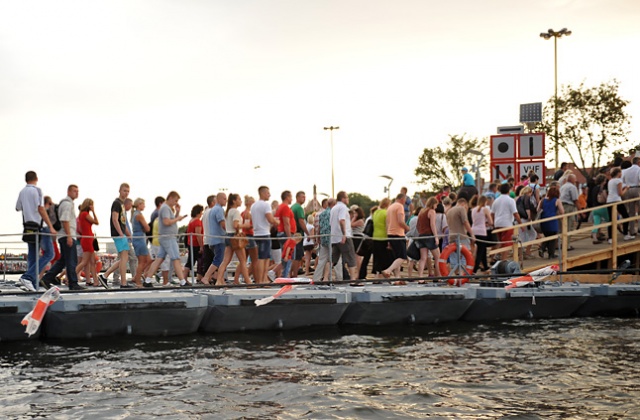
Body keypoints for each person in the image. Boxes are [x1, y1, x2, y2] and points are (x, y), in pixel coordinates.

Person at [15, 171, 56, 291]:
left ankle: (31, 283)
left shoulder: (22, 192)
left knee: (32, 255)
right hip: (40, 226)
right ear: (36, 178)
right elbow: (41, 209)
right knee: (49, 253)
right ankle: (28, 277)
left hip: (28, 227)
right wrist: (51, 226)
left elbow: (18, 207)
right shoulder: (37, 190)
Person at [42, 184, 84, 290]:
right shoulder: (67, 204)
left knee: (63, 260)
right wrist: (69, 236)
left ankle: (47, 279)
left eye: (77, 191)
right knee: (71, 260)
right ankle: (73, 283)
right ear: (68, 192)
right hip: (67, 236)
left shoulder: (66, 204)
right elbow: (65, 220)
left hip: (64, 236)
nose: (76, 193)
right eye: (74, 191)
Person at [144, 191, 190, 287]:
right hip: (168, 237)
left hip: (166, 237)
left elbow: (170, 221)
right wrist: (178, 218)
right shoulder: (165, 208)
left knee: (159, 259)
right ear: (170, 198)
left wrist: (177, 213)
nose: (175, 203)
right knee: (176, 258)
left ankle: (147, 280)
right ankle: (182, 281)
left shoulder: (166, 208)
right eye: (175, 200)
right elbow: (166, 222)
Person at [216, 193, 251, 285]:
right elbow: (236, 225)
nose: (241, 201)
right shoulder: (235, 212)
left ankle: (219, 280)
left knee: (225, 260)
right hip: (235, 237)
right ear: (234, 201)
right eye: (239, 199)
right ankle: (248, 281)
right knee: (243, 261)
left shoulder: (228, 212)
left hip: (228, 236)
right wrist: (245, 226)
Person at [105, 183, 133, 288]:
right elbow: (115, 219)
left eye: (128, 191)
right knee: (124, 258)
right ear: (120, 190)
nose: (126, 193)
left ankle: (105, 275)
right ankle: (123, 283)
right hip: (118, 234)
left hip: (121, 234)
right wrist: (121, 233)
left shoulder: (122, 205)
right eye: (124, 190)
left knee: (123, 259)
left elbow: (123, 222)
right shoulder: (116, 203)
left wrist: (128, 234)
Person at [251, 186, 278, 283]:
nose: (269, 195)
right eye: (267, 193)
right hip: (264, 233)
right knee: (263, 258)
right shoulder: (266, 205)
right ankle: (261, 280)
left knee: (263, 257)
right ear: (262, 193)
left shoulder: (253, 206)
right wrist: (277, 222)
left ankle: (262, 279)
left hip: (256, 233)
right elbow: (270, 219)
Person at [330, 191, 359, 281]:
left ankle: (326, 277)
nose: (348, 199)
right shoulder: (343, 208)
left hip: (334, 237)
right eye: (347, 197)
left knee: (332, 259)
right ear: (343, 199)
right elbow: (342, 220)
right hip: (343, 236)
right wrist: (344, 234)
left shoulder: (333, 208)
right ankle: (353, 279)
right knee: (351, 258)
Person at [381, 193, 410, 279]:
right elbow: (400, 221)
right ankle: (388, 270)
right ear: (402, 199)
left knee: (396, 257)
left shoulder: (390, 207)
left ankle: (397, 277)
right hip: (398, 234)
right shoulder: (399, 207)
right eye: (405, 200)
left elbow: (387, 223)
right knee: (402, 256)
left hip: (390, 233)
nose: (405, 202)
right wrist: (407, 228)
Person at [201, 193, 228, 285]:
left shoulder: (212, 210)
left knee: (220, 260)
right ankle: (206, 277)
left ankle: (220, 279)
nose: (226, 201)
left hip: (212, 239)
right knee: (218, 260)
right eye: (224, 199)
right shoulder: (219, 210)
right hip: (218, 239)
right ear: (219, 199)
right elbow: (223, 224)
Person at [491, 183, 522, 261]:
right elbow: (515, 213)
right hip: (507, 223)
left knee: (499, 242)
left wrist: (493, 223)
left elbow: (492, 213)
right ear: (509, 190)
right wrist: (521, 224)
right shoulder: (510, 200)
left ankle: (492, 257)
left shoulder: (496, 200)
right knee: (507, 243)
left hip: (497, 223)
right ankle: (503, 260)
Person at [446, 198, 475, 274]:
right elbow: (465, 222)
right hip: (461, 236)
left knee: (454, 258)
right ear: (464, 204)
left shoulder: (449, 211)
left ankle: (457, 275)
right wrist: (472, 234)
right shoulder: (461, 209)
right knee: (465, 255)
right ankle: (463, 276)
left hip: (451, 236)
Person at [75, 198, 100, 287]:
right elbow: (96, 222)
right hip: (87, 239)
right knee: (84, 261)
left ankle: (96, 281)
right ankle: (70, 277)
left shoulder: (82, 215)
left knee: (92, 262)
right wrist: (93, 211)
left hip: (88, 238)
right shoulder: (85, 214)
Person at [607, 167, 634, 243]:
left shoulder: (610, 181)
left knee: (611, 219)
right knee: (625, 216)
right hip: (616, 200)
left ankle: (610, 238)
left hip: (609, 200)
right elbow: (620, 193)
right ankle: (625, 234)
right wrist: (627, 188)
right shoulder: (619, 181)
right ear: (618, 173)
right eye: (620, 172)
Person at [416, 197, 441, 278]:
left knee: (423, 258)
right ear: (433, 204)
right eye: (436, 205)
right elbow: (432, 225)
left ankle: (420, 277)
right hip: (429, 235)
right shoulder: (431, 211)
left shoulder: (421, 211)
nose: (436, 207)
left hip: (421, 236)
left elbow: (417, 225)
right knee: (437, 257)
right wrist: (436, 237)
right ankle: (438, 276)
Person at [131, 198, 153, 287]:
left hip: (139, 238)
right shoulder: (139, 215)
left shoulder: (135, 214)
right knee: (142, 262)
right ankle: (138, 282)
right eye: (143, 204)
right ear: (139, 205)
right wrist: (146, 227)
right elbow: (147, 228)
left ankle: (136, 276)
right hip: (139, 239)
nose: (144, 206)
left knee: (149, 259)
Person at [537, 186, 565, 258]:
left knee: (547, 236)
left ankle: (542, 249)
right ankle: (550, 253)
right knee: (553, 237)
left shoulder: (543, 200)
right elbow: (562, 211)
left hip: (543, 220)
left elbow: (538, 209)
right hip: (552, 220)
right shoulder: (557, 200)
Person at [290, 191, 310, 278]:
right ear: (297, 197)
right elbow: (301, 221)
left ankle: (290, 273)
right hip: (297, 234)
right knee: (297, 256)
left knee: (294, 255)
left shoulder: (293, 207)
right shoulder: (298, 208)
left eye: (305, 197)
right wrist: (308, 233)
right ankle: (294, 275)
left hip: (293, 233)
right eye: (302, 197)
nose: (304, 198)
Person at [471, 195, 493, 273]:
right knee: (480, 252)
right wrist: (487, 223)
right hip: (482, 231)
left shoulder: (473, 210)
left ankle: (485, 266)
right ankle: (474, 270)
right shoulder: (485, 209)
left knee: (482, 250)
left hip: (474, 231)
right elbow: (491, 222)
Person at [559, 173, 579, 248]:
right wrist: (580, 211)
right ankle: (566, 245)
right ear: (572, 179)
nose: (576, 180)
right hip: (569, 206)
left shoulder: (562, 187)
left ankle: (562, 243)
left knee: (563, 226)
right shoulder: (572, 187)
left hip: (562, 206)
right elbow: (575, 200)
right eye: (575, 178)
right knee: (569, 226)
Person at [515, 186, 536, 257]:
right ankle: (527, 251)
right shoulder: (526, 197)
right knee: (533, 234)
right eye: (531, 193)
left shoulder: (517, 198)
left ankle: (520, 254)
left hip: (517, 219)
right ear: (528, 192)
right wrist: (529, 216)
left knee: (521, 236)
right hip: (524, 219)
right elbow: (527, 207)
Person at [622, 157, 640, 236]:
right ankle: (639, 228)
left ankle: (631, 229)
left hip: (628, 189)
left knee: (631, 211)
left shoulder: (626, 171)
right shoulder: (638, 169)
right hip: (637, 188)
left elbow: (622, 181)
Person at [589, 174, 609, 243]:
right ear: (603, 181)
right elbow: (605, 198)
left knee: (596, 223)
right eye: (605, 180)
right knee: (609, 221)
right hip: (602, 207)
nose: (605, 182)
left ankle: (595, 238)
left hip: (595, 208)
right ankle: (610, 236)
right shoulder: (602, 188)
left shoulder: (594, 188)